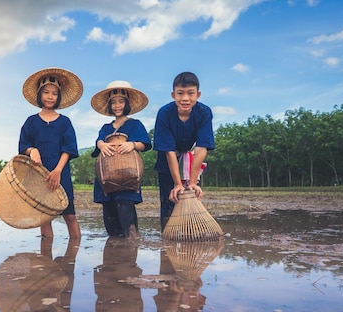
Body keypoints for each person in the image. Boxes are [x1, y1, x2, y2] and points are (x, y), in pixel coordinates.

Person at [19, 67, 83, 238]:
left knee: (69, 215)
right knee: (45, 217)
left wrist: (57, 171)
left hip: (61, 174)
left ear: (59, 96)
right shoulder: (31, 122)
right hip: (38, 175)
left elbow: (68, 148)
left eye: (54, 93)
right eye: (46, 92)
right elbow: (23, 145)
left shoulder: (65, 122)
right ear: (40, 95)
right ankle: (46, 258)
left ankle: (73, 255)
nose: (50, 96)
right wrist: (32, 150)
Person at [153, 71, 215, 230]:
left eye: (190, 93)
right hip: (168, 160)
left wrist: (192, 182)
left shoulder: (204, 112)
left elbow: (202, 147)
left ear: (198, 94)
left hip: (190, 159)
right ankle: (167, 236)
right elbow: (169, 150)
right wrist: (177, 183)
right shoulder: (165, 113)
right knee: (169, 200)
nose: (185, 98)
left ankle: (189, 231)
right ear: (173, 95)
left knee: (191, 195)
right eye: (180, 93)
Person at [90, 80, 152, 238]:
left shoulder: (135, 125)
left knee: (127, 218)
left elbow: (145, 144)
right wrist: (102, 144)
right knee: (110, 221)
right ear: (109, 105)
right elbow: (98, 143)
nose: (117, 105)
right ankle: (114, 255)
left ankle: (130, 254)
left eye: (121, 101)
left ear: (128, 103)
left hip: (127, 177)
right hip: (107, 179)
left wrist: (133, 144)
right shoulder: (105, 128)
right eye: (114, 102)